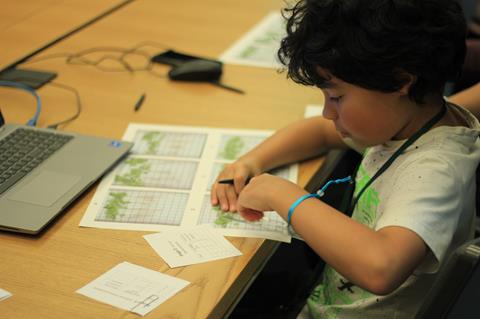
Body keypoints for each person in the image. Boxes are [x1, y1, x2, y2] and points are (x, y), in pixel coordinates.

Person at [210, 0, 480, 318]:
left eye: (336, 97)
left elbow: (382, 267)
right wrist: (251, 162)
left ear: (401, 80)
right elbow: (317, 132)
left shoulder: (437, 170)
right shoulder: (409, 119)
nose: (327, 112)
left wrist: (283, 195)